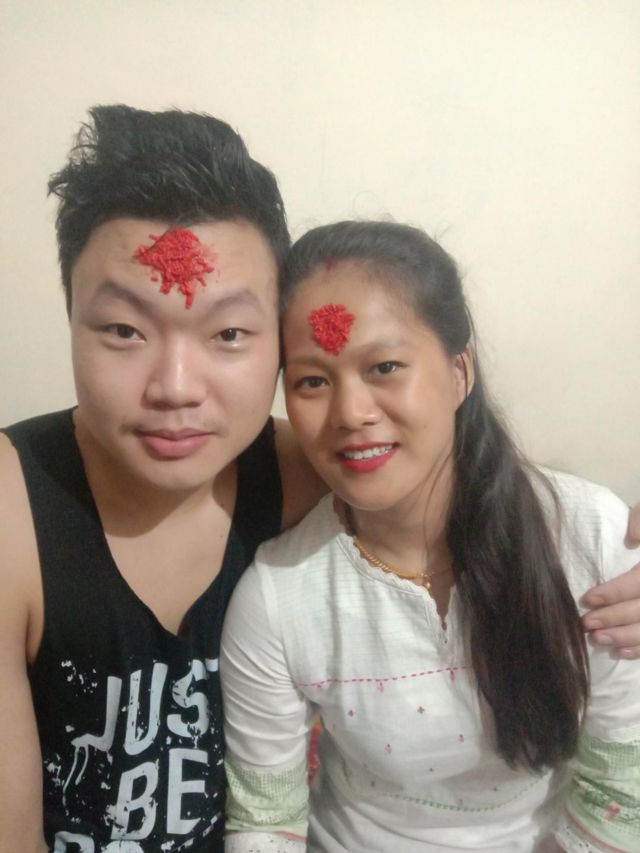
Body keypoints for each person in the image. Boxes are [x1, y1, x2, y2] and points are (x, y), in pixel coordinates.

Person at [0, 107, 637, 853]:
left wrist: (615, 543)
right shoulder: (19, 512)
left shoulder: (320, 468)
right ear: (70, 317)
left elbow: (481, 482)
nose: (175, 387)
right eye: (123, 330)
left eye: (228, 333)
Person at [220, 221, 640, 852]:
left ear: (460, 371)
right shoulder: (278, 597)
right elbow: (264, 823)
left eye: (385, 367)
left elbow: (620, 794)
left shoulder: (590, 541)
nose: (350, 413)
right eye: (312, 381)